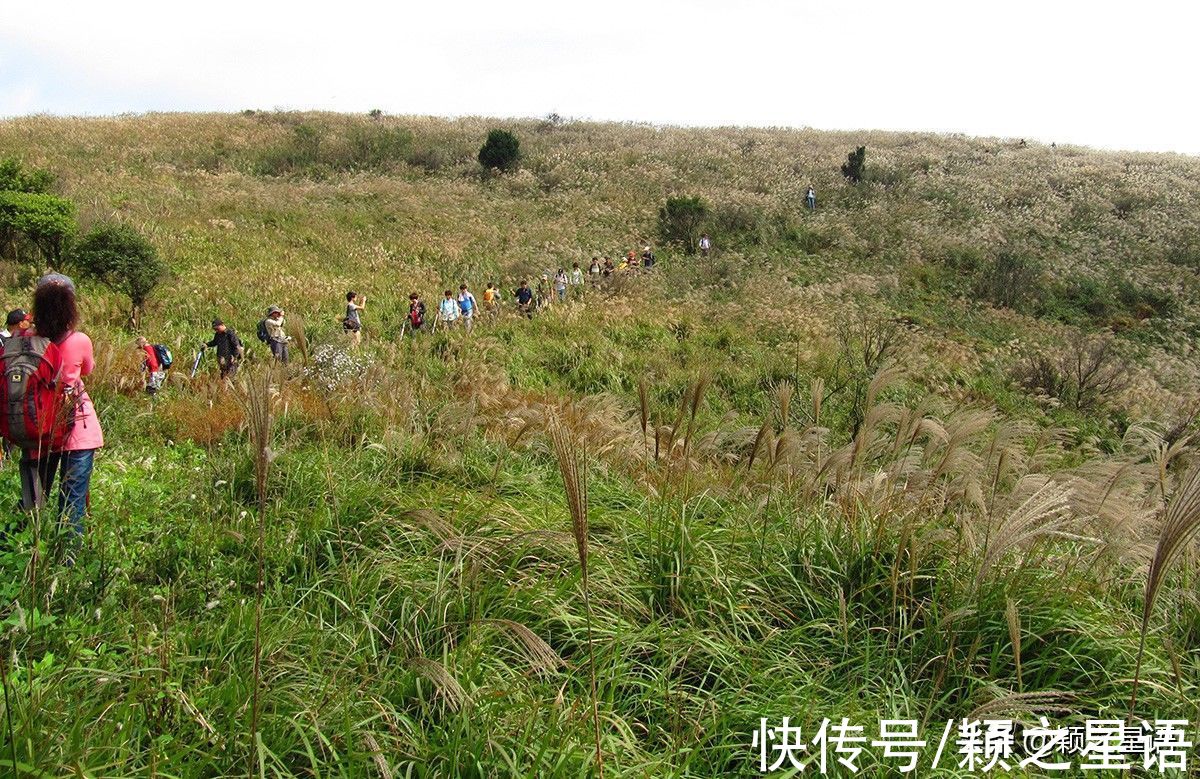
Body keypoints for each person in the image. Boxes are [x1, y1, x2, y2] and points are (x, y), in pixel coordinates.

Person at [22, 273, 103, 544]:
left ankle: (25, 553)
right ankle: (66, 567)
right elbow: (88, 370)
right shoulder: (80, 340)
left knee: (32, 501)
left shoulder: (26, 341)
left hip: (37, 429)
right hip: (76, 429)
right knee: (72, 503)